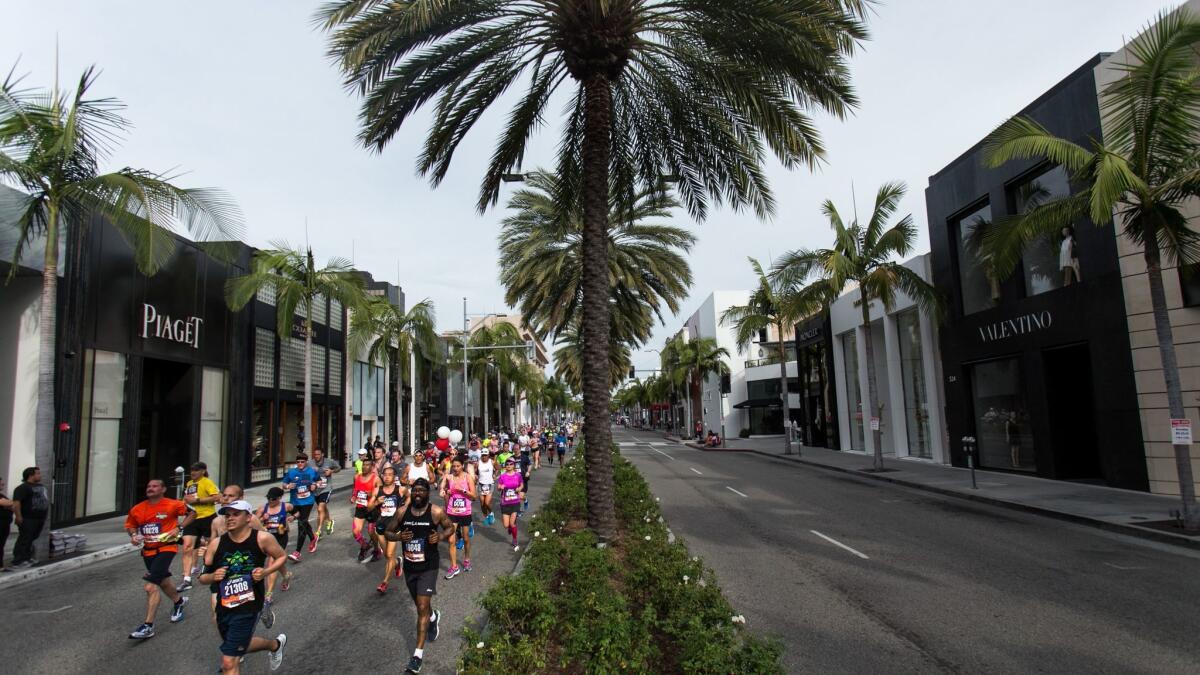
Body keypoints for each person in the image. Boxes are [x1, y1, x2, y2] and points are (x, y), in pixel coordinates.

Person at [199, 499, 288, 673]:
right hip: (224, 606)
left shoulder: (262, 538)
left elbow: (281, 556)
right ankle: (275, 645)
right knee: (238, 644)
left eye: (236, 514)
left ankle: (233, 662)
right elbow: (202, 577)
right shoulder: (216, 544)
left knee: (228, 661)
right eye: (227, 515)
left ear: (248, 517)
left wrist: (265, 572)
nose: (230, 518)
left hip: (249, 605)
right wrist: (212, 576)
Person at [382, 478, 455, 674]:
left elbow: (450, 527)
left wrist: (439, 537)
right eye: (415, 491)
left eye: (422, 491)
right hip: (410, 567)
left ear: (427, 494)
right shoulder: (402, 512)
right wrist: (398, 537)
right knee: (420, 604)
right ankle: (433, 616)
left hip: (429, 566)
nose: (418, 494)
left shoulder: (435, 512)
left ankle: (417, 656)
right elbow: (388, 532)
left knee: (421, 607)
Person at [125, 478, 194, 639]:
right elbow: (130, 526)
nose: (150, 488)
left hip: (166, 548)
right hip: (148, 551)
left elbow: (192, 513)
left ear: (163, 489)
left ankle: (148, 626)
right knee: (163, 582)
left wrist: (178, 528)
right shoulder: (137, 508)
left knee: (150, 587)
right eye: (149, 486)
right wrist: (134, 536)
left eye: (155, 486)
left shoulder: (173, 504)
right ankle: (179, 602)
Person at [179, 461, 221, 592]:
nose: (193, 472)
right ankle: (187, 579)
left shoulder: (206, 482)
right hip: (192, 518)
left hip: (208, 517)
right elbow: (187, 500)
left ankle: (210, 569)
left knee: (211, 546)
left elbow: (217, 497)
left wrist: (197, 500)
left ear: (203, 471)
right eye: (191, 470)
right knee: (187, 547)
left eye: (196, 470)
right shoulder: (189, 484)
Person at [369, 466, 405, 593]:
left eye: (390, 474)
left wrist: (403, 510)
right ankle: (398, 562)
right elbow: (368, 508)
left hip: (394, 527)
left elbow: (410, 499)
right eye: (385, 474)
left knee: (389, 554)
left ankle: (385, 582)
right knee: (387, 555)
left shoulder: (400, 490)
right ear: (382, 476)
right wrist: (377, 503)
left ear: (394, 477)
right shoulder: (377, 490)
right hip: (380, 526)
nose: (387, 477)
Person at [258, 487, 295, 614]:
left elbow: (298, 512)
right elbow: (252, 522)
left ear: (279, 498)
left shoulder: (287, 506)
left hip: (280, 538)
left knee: (272, 563)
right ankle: (286, 575)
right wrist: (262, 519)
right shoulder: (263, 508)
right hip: (267, 539)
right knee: (278, 563)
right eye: (268, 498)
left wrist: (292, 518)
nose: (270, 500)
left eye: (272, 499)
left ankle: (268, 595)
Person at [439, 456, 476, 578]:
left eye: (458, 466)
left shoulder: (468, 477)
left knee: (465, 538)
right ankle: (454, 567)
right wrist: (443, 491)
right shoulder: (449, 477)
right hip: (452, 511)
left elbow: (474, 496)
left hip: (465, 512)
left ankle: (466, 559)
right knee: (451, 540)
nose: (455, 468)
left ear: (462, 466)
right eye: (453, 466)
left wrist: (463, 490)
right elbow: (443, 485)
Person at [281, 453, 319, 561]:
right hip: (295, 502)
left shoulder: (312, 471)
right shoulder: (292, 472)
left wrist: (315, 485)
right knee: (304, 521)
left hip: (308, 501)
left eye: (302, 462)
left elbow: (319, 480)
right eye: (298, 462)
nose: (300, 464)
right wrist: (288, 486)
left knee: (301, 524)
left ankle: (297, 552)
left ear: (306, 462)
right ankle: (313, 538)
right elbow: (283, 484)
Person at [11, 466, 49, 568]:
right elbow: (16, 503)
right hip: (28, 518)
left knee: (32, 537)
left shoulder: (41, 486)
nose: (40, 475)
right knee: (25, 538)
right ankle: (18, 560)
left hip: (39, 518)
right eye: (38, 473)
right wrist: (18, 516)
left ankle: (27, 557)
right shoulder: (22, 488)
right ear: (30, 475)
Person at [351, 459, 380, 562]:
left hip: (372, 509)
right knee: (355, 532)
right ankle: (365, 545)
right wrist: (353, 497)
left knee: (371, 532)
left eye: (367, 465)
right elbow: (355, 489)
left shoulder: (376, 478)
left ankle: (377, 550)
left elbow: (381, 494)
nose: (365, 467)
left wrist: (371, 494)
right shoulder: (356, 477)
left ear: (372, 467)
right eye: (364, 464)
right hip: (360, 507)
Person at [311, 447, 341, 537]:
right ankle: (329, 521)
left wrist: (331, 471)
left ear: (322, 454)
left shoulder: (329, 461)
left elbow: (339, 468)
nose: (316, 456)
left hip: (326, 488)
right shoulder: (310, 463)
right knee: (323, 507)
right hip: (316, 489)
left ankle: (318, 531)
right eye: (315, 454)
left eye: (318, 454)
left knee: (320, 509)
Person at [496, 459, 525, 550]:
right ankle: (510, 527)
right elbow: (498, 487)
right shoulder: (503, 476)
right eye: (507, 464)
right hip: (505, 503)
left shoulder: (518, 475)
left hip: (515, 502)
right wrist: (501, 487)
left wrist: (519, 488)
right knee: (506, 525)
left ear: (513, 465)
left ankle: (515, 539)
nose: (508, 465)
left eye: (510, 464)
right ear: (505, 466)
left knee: (512, 523)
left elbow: (521, 484)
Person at [476, 449, 497, 526]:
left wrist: (495, 475)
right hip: (481, 484)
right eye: (483, 455)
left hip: (489, 484)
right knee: (482, 503)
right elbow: (475, 472)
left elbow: (498, 468)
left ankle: (491, 513)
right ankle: (486, 517)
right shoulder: (478, 463)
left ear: (488, 455)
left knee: (487, 503)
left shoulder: (492, 462)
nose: (484, 457)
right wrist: (475, 476)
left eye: (485, 455)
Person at [0, 478, 14, 571]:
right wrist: (9, 504)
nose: (3, 484)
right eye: (1, 483)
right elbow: (9, 503)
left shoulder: (2, 495)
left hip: (4, 524)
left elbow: (12, 506)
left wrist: (9, 505)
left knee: (1, 544)